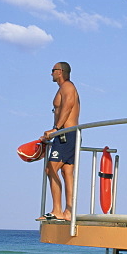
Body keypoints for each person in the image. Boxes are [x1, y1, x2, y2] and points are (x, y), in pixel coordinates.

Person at [39, 61, 81, 221]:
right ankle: (68, 212)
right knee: (67, 172)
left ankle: (57, 210)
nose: (51, 73)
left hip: (65, 134)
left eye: (53, 70)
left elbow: (68, 106)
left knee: (50, 169)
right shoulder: (63, 88)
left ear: (60, 71)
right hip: (68, 134)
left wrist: (56, 129)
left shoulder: (68, 87)